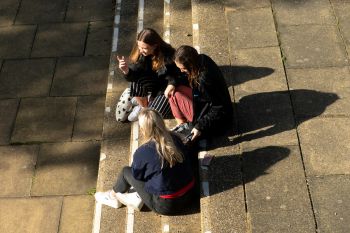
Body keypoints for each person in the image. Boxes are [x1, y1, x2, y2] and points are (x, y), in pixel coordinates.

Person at [95, 108, 196, 215]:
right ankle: (136, 197)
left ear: (143, 130)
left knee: (126, 172)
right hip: (190, 194)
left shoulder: (143, 151)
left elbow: (137, 176)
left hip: (167, 205)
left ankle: (112, 196)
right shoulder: (176, 138)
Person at [117, 28, 186, 121]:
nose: (140, 50)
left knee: (154, 115)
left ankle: (147, 104)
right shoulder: (141, 53)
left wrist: (170, 85)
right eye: (139, 47)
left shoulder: (169, 55)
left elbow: (175, 76)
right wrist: (126, 70)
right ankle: (143, 108)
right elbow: (136, 73)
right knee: (135, 82)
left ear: (155, 46)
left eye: (144, 48)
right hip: (152, 83)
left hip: (163, 88)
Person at [170, 45, 233, 142]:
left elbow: (218, 107)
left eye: (183, 69)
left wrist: (200, 126)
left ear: (191, 66)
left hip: (218, 119)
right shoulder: (202, 59)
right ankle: (183, 125)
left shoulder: (203, 79)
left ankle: (184, 126)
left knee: (174, 96)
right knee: (175, 91)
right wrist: (173, 83)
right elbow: (183, 77)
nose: (181, 71)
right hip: (206, 102)